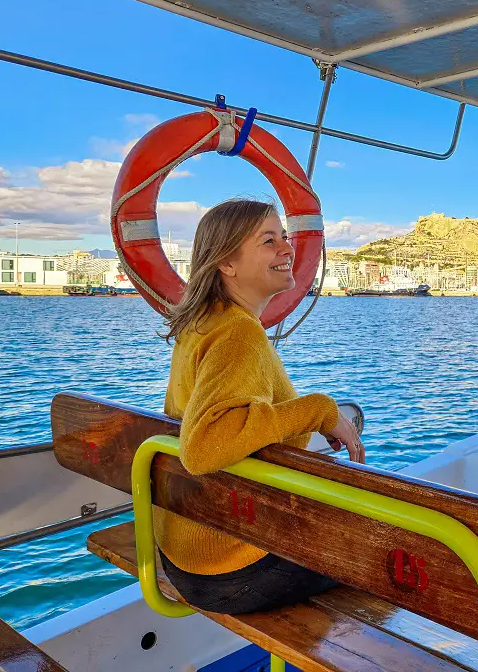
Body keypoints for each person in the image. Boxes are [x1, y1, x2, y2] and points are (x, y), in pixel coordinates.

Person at [154, 198, 364, 614]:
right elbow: (203, 447)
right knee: (407, 546)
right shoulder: (238, 333)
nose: (288, 249)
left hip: (186, 551)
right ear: (226, 263)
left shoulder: (201, 322)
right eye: (269, 241)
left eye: (285, 237)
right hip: (232, 569)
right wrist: (319, 410)